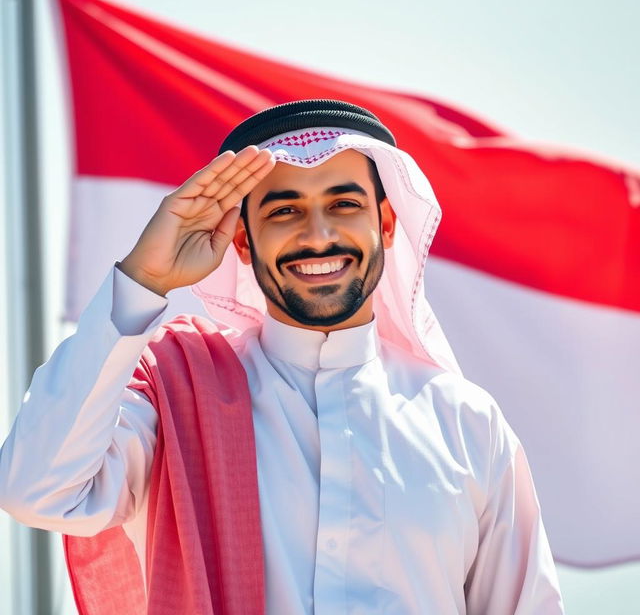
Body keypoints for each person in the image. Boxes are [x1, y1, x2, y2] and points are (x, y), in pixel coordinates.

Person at [0, 99, 564, 614]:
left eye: (343, 204)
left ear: (386, 225)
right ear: (243, 242)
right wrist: (142, 280)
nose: (318, 236)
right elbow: (38, 491)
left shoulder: (466, 423)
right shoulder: (174, 395)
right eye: (284, 211)